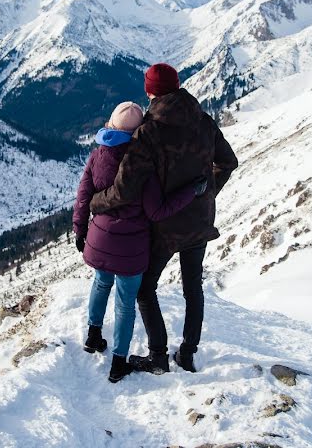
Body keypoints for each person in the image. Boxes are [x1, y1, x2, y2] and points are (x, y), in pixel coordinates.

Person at [90, 63, 238, 374]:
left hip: (165, 227)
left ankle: (158, 356)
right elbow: (228, 161)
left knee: (145, 289)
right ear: (178, 85)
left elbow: (124, 189)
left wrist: (96, 202)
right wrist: (206, 193)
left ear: (149, 91)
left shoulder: (149, 132)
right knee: (192, 288)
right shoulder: (203, 120)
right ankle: (187, 352)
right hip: (199, 222)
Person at [73, 101, 207, 383]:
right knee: (124, 303)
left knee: (100, 283)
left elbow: (83, 195)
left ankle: (93, 336)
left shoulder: (98, 155)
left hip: (99, 237)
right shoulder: (143, 163)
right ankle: (118, 363)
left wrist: (79, 230)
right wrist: (190, 192)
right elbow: (158, 210)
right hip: (131, 248)